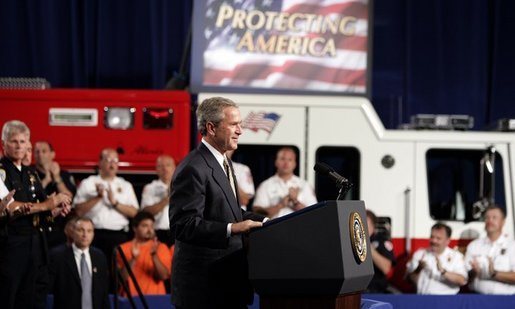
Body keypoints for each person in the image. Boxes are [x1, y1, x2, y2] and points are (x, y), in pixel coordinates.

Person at [169, 96, 267, 308]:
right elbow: (183, 225)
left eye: (240, 124)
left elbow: (231, 212)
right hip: (204, 291)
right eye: (233, 124)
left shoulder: (223, 162)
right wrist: (232, 228)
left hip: (227, 286)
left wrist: (269, 222)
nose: (240, 130)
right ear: (211, 128)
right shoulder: (193, 168)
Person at [0, 120, 71, 309]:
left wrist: (55, 210)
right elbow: (9, 206)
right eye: (13, 141)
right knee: (8, 296)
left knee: (31, 299)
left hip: (36, 244)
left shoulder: (31, 173)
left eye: (23, 142)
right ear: (3, 143)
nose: (18, 146)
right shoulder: (1, 171)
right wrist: (47, 204)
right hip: (10, 246)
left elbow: (45, 207)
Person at [73, 148, 139, 263]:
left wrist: (115, 203)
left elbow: (134, 213)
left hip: (119, 236)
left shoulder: (125, 185)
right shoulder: (88, 183)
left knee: (118, 273)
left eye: (115, 160)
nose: (112, 164)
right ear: (100, 162)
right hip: (93, 235)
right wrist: (98, 197)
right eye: (108, 160)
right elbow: (78, 211)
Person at [49, 217, 110, 309]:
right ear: (73, 232)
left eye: (89, 231)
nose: (85, 235)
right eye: (81, 230)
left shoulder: (99, 256)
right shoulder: (58, 256)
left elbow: (103, 292)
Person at [117, 211, 172, 296]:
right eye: (145, 226)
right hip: (130, 300)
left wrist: (154, 256)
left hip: (155, 299)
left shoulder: (161, 247)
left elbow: (164, 276)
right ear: (135, 228)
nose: (149, 230)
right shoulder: (122, 249)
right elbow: (120, 279)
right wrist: (133, 259)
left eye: (151, 226)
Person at [253, 147, 317, 219]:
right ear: (276, 162)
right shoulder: (265, 185)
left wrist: (295, 201)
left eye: (290, 160)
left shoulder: (305, 185)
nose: (286, 163)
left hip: (299, 228)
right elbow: (257, 214)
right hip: (274, 229)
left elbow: (314, 214)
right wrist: (281, 205)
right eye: (282, 159)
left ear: (294, 164)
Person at [34, 140, 77, 249]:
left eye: (44, 151)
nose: (40, 154)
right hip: (38, 226)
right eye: (37, 152)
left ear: (52, 154)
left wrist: (56, 177)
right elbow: (30, 196)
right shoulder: (30, 173)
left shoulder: (64, 174)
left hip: (60, 227)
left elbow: (69, 197)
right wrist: (46, 180)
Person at [465, 205, 515, 294]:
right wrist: (474, 272)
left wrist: (494, 273)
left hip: (506, 302)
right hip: (477, 299)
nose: (490, 221)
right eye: (487, 218)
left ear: (503, 222)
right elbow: (463, 278)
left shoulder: (512, 246)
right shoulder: (474, 245)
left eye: (494, 218)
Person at [406, 222, 468, 294]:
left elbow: (462, 280)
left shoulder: (456, 257)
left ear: (447, 241)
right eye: (432, 237)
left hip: (446, 301)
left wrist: (443, 271)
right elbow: (408, 280)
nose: (434, 241)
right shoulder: (420, 254)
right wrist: (418, 269)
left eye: (438, 238)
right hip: (423, 300)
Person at [140, 154, 175, 246]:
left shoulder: (183, 187)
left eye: (168, 165)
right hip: (157, 233)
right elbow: (146, 213)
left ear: (174, 168)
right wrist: (167, 199)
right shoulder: (150, 188)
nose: (165, 169)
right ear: (156, 169)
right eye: (161, 166)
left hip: (178, 234)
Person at [365, 210, 396, 293]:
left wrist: (367, 246)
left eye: (365, 224)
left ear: (373, 226)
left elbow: (386, 268)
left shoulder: (381, 241)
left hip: (375, 290)